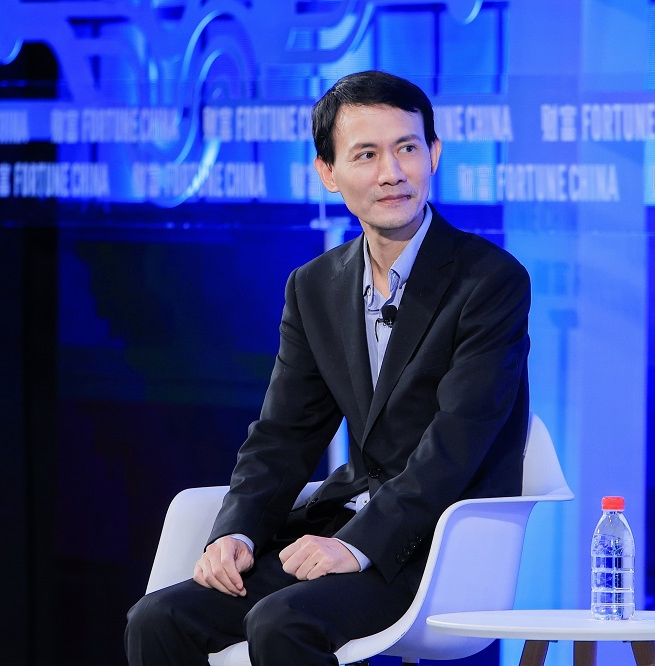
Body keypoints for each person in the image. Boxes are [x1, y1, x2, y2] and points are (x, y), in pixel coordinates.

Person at [125, 69, 532, 666]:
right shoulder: (314, 287)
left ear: (434, 154)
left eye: (407, 148)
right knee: (158, 619)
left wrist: (358, 546)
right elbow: (284, 434)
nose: (392, 172)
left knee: (282, 622)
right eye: (366, 154)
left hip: (437, 544)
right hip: (343, 524)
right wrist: (235, 532)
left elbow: (457, 444)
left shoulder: (489, 280)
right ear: (328, 172)